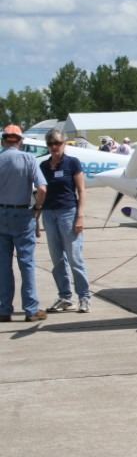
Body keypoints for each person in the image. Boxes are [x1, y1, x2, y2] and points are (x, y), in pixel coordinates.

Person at [39, 128, 91, 313]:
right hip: (48, 214)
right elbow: (40, 192)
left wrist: (80, 216)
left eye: (57, 143)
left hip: (68, 213)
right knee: (57, 259)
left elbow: (81, 190)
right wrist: (36, 218)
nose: (54, 147)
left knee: (75, 257)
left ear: (64, 144)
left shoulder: (72, 163)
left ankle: (84, 296)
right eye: (50, 144)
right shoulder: (44, 166)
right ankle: (65, 297)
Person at [0, 125, 48, 323]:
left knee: (3, 266)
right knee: (26, 263)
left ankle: (4, 309)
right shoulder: (28, 159)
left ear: (3, 141)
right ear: (20, 141)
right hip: (22, 214)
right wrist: (37, 207)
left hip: (1, 214)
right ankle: (30, 309)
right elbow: (42, 189)